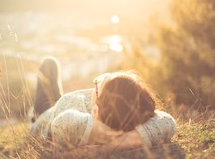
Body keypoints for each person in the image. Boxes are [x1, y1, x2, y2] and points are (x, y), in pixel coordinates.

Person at [30, 57, 177, 150]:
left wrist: (102, 149)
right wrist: (117, 143)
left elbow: (64, 121)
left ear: (98, 108)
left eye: (97, 87)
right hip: (60, 106)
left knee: (48, 64)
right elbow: (168, 122)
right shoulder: (126, 117)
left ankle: (31, 117)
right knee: (51, 65)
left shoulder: (77, 124)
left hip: (46, 114)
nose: (95, 83)